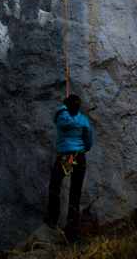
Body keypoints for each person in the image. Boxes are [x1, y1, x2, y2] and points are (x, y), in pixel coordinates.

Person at [45, 93, 94, 237]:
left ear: (66, 105)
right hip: (79, 156)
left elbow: (58, 117)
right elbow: (89, 140)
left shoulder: (61, 117)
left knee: (55, 185)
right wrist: (83, 148)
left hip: (66, 157)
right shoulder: (83, 120)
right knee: (75, 192)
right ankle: (72, 227)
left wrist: (63, 107)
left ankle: (52, 219)